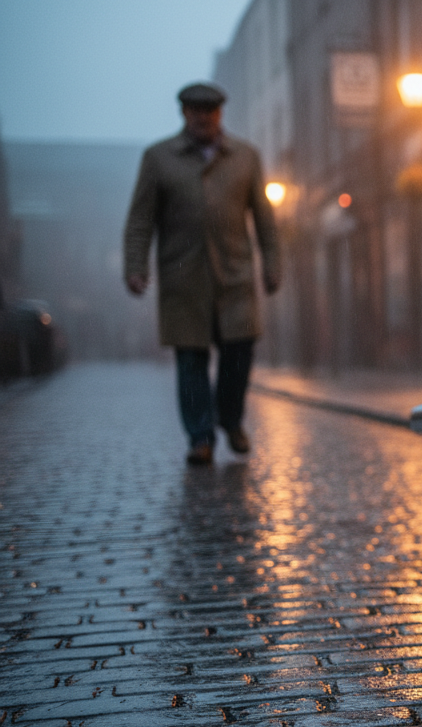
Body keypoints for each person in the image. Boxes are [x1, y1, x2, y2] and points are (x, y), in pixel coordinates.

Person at [124, 82, 280, 465]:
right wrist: (135, 266)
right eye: (195, 110)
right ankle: (200, 437)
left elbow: (264, 218)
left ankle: (230, 420)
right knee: (191, 361)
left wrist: (273, 264)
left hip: (236, 277)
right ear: (183, 113)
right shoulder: (159, 158)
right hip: (184, 280)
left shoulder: (246, 157)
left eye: (210, 110)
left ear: (220, 114)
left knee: (238, 356)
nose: (203, 117)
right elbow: (141, 220)